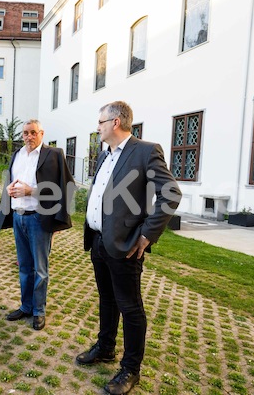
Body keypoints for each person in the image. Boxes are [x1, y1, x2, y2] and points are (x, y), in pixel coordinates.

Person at [76, 101, 182, 395]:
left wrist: (147, 235)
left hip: (126, 245)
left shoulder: (146, 151)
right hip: (98, 239)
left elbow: (171, 194)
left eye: (100, 122)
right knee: (107, 300)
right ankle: (106, 347)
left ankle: (130, 369)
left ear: (117, 122)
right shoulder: (104, 155)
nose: (97, 127)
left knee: (130, 307)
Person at [0, 119, 74, 331]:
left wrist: (32, 191)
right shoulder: (17, 155)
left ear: (41, 133)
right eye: (25, 133)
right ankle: (26, 306)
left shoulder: (54, 154)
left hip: (39, 219)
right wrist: (10, 190)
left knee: (40, 269)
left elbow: (65, 187)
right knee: (24, 267)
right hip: (18, 216)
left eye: (33, 132)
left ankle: (39, 311)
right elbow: (11, 182)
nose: (29, 137)